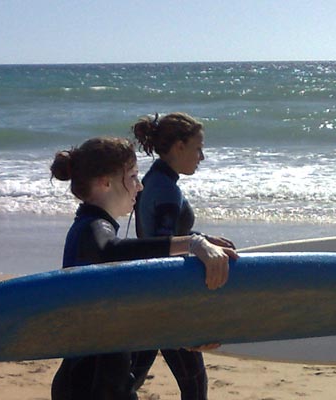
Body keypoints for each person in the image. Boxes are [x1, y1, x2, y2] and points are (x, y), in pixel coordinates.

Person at [48, 137, 236, 400]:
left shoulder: (92, 229)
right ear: (106, 182)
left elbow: (125, 319)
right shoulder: (91, 231)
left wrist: (182, 338)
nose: (140, 185)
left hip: (102, 385)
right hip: (89, 387)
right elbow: (110, 250)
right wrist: (191, 243)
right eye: (133, 176)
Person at [129, 113, 235, 400]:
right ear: (179, 147)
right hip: (166, 298)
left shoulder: (156, 179)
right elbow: (162, 245)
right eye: (198, 148)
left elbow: (160, 238)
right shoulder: (166, 190)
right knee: (194, 386)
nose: (202, 156)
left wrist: (200, 238)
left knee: (128, 382)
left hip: (151, 294)